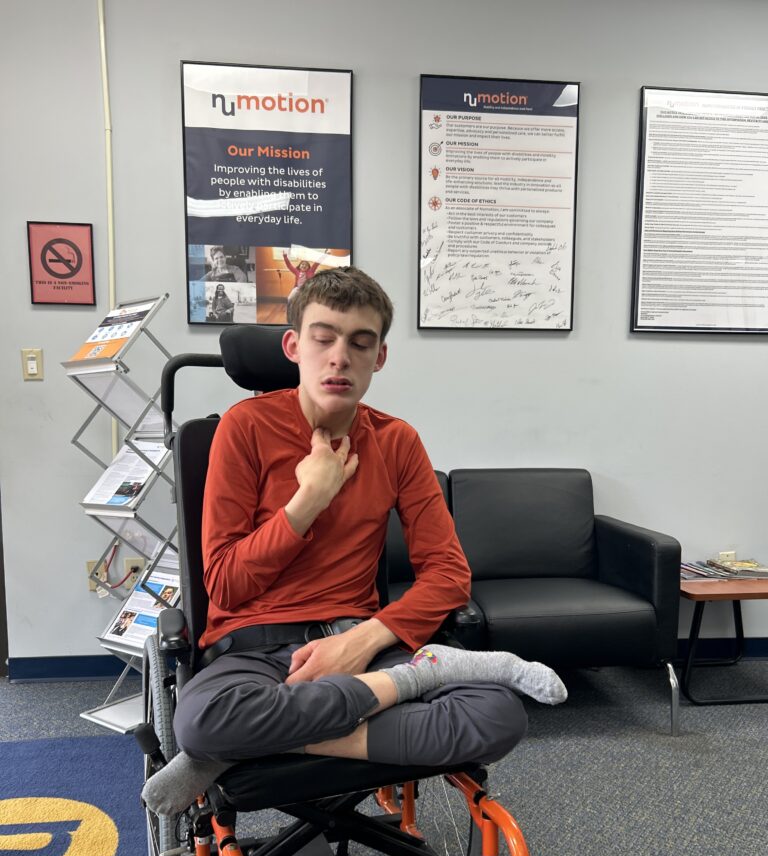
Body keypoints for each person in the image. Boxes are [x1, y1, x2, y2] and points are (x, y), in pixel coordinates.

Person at [143, 268, 566, 815]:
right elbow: (224, 584)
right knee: (204, 722)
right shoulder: (243, 428)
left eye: (360, 344)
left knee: (498, 716)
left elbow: (448, 574)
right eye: (323, 339)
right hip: (254, 651)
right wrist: (308, 501)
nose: (339, 358)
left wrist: (362, 641)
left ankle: (236, 748)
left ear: (378, 357)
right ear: (294, 347)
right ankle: (404, 686)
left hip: (360, 640)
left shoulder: (396, 441)